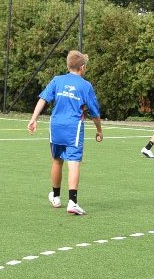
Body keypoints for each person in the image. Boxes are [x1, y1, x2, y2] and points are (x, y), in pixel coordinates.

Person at [28, 50, 104, 216]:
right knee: (74, 162)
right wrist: (99, 130)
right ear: (82, 67)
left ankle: (55, 197)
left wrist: (34, 118)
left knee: (56, 160)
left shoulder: (57, 80)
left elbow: (43, 99)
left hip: (55, 126)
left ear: (68, 65)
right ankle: (73, 202)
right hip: (73, 127)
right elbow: (95, 113)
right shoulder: (85, 85)